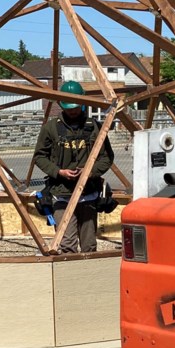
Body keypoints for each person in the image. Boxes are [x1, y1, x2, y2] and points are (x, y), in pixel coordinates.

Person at [32, 80, 114, 254]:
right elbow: (39, 156)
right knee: (67, 244)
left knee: (89, 245)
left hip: (88, 194)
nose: (73, 110)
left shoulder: (95, 127)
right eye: (69, 107)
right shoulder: (51, 128)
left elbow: (106, 157)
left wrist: (89, 172)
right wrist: (59, 172)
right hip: (61, 194)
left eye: (76, 107)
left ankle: (88, 278)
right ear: (61, 104)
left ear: (83, 103)